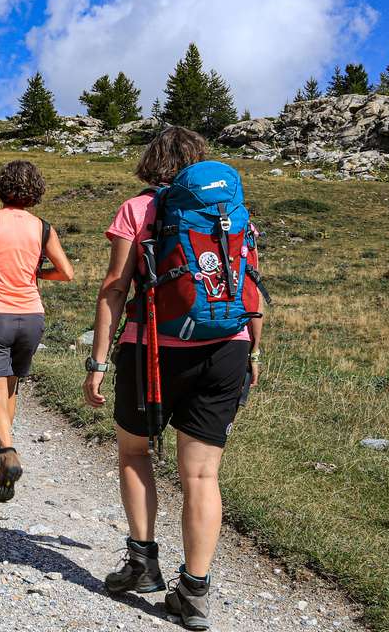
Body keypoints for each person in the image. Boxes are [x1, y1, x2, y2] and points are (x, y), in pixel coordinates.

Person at [83, 126, 266, 632]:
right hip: (227, 349)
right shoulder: (229, 214)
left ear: (150, 163)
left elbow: (113, 290)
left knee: (135, 453)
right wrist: (253, 350)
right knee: (203, 476)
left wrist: (97, 361)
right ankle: (194, 592)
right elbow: (247, 285)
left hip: (152, 351)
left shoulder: (136, 211)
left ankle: (142, 564)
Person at [0, 160, 73, 502]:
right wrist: (37, 276)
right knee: (10, 387)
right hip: (31, 315)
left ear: (1, 185)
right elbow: (66, 272)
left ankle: (7, 453)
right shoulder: (43, 227)